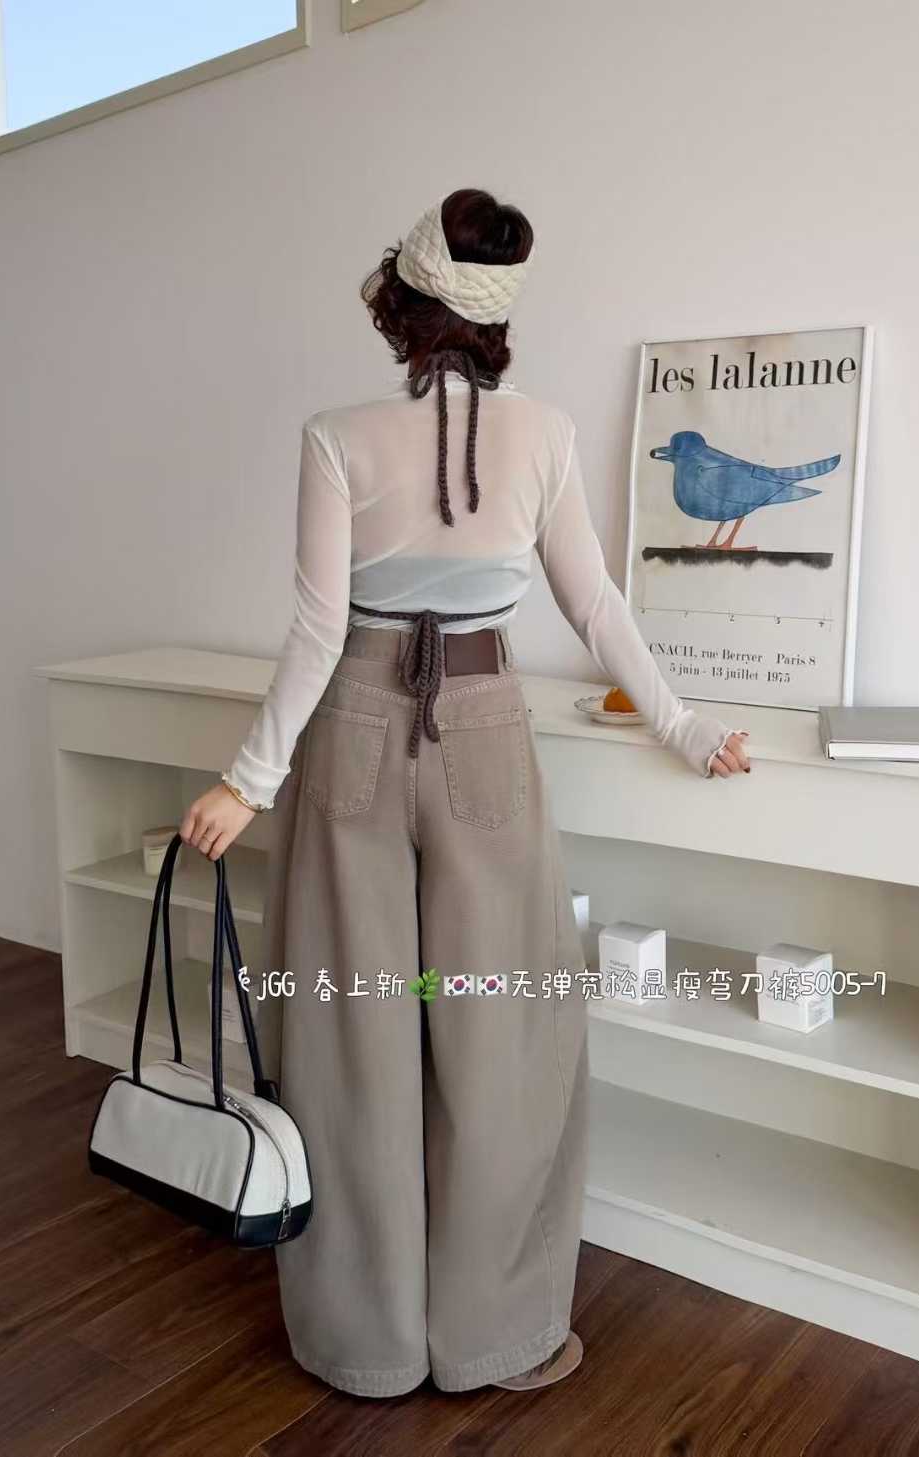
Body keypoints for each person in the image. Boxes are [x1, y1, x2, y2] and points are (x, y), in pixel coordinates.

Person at [180, 188, 750, 1398]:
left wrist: (246, 781)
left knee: (351, 1025)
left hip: (354, 723)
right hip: (485, 723)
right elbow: (594, 605)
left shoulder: (336, 434)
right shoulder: (544, 433)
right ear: (496, 315)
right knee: (502, 1027)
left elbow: (318, 628)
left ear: (404, 306)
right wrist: (688, 728)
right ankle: (490, 1333)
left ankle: (368, 1343)